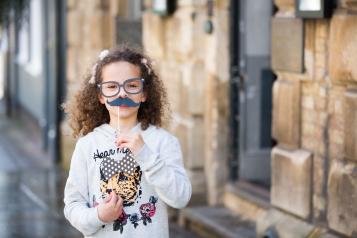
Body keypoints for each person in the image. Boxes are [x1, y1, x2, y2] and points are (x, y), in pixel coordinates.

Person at [63, 46, 192, 238]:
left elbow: (180, 197)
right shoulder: (87, 145)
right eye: (112, 87)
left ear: (144, 93)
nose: (122, 94)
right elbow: (73, 206)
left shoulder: (163, 142)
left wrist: (145, 155)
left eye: (131, 86)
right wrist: (98, 215)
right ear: (100, 95)